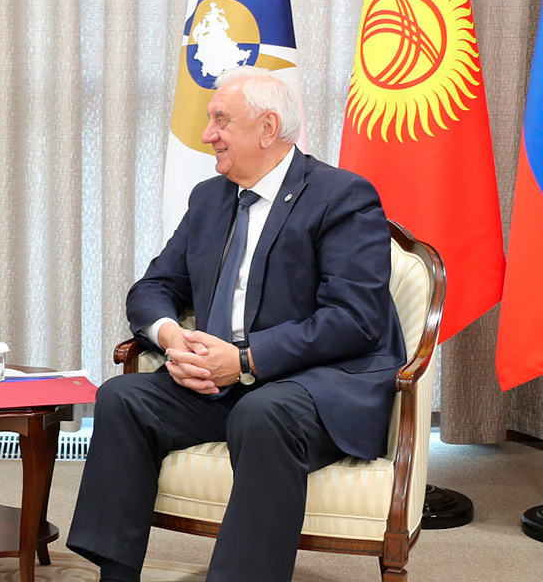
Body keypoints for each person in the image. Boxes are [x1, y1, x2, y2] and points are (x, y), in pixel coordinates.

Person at [67, 66, 406, 582]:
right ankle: (115, 576)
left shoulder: (341, 196)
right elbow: (153, 287)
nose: (208, 135)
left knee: (263, 412)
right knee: (123, 398)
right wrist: (172, 337)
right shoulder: (210, 198)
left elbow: (353, 319)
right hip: (222, 384)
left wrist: (246, 360)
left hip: (315, 387)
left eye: (220, 120)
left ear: (267, 128)